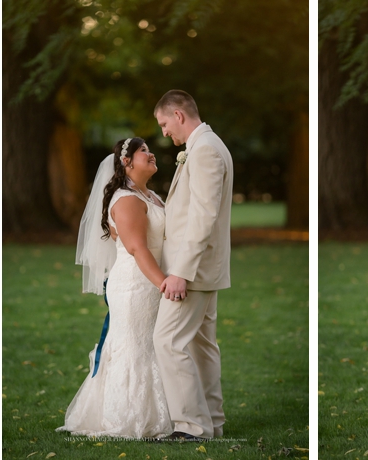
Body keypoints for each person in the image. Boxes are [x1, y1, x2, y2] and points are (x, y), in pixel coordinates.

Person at [57, 138, 173, 439]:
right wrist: (163, 282)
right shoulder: (126, 199)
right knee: (135, 345)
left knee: (151, 345)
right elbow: (136, 248)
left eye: (150, 149)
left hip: (150, 279)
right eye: (143, 151)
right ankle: (128, 416)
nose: (151, 153)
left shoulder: (150, 196)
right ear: (127, 162)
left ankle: (167, 412)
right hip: (137, 283)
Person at [152, 90, 233, 441]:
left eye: (164, 123)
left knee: (168, 341)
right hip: (204, 267)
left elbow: (203, 216)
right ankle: (211, 421)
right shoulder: (207, 146)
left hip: (194, 270)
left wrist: (181, 271)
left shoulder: (205, 151)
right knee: (201, 346)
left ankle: (191, 426)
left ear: (178, 115)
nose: (165, 132)